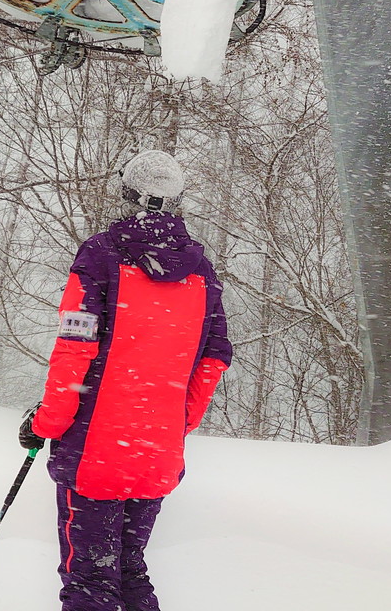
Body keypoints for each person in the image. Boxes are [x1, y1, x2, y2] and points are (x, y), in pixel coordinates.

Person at [20, 149, 232, 611]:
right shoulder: (200, 270)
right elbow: (215, 356)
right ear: (175, 202)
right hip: (156, 451)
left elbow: (76, 345)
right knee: (130, 570)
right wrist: (178, 422)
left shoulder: (100, 255)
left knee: (90, 582)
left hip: (96, 452)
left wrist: (47, 422)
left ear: (126, 194)